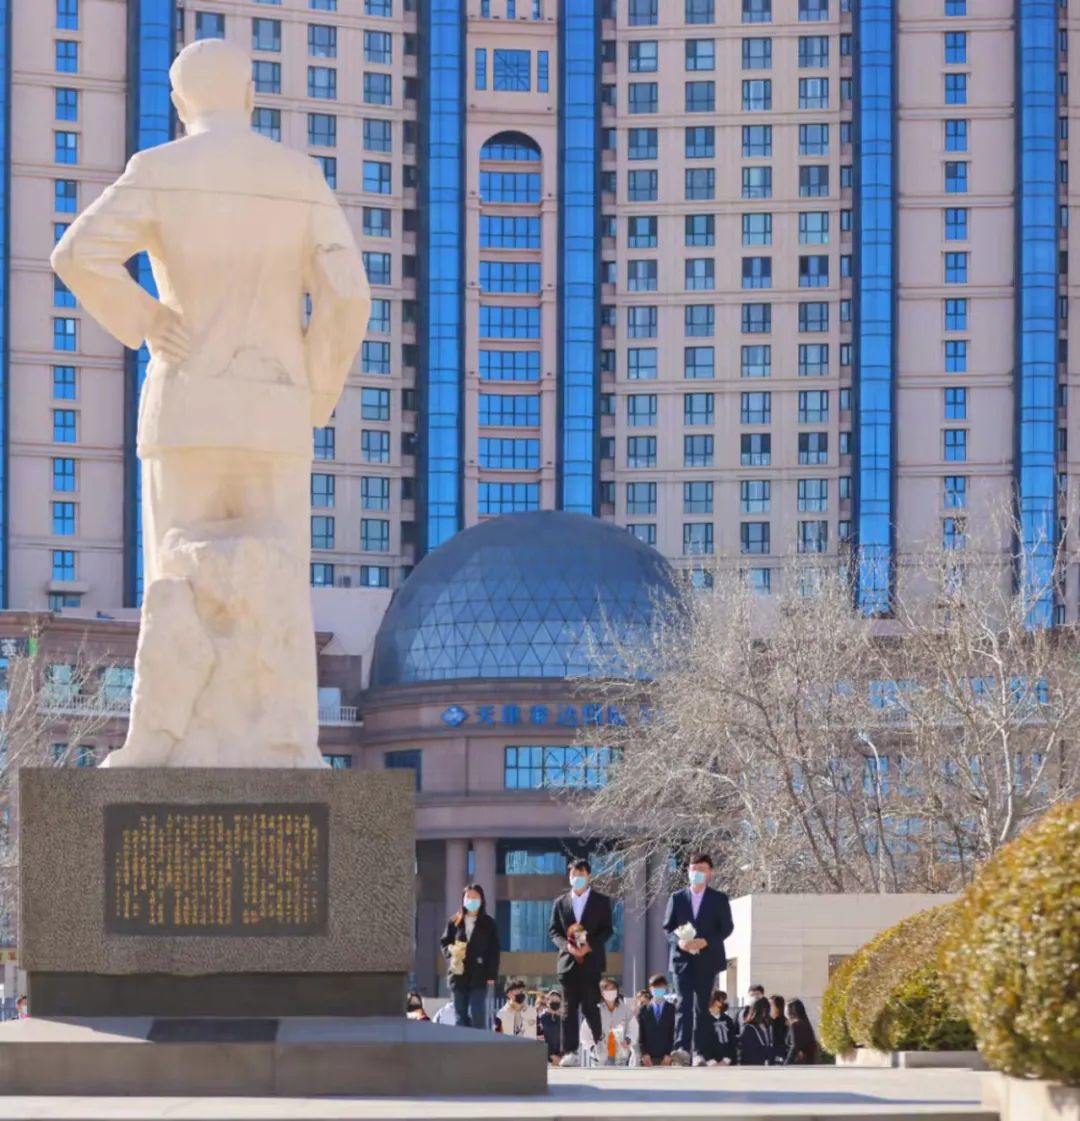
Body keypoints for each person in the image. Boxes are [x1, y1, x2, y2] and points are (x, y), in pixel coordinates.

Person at [51, 38, 370, 768]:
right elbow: (349, 295)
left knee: (176, 584)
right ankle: (288, 746)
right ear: (252, 94)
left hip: (185, 409)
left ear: (179, 102)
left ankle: (158, 743)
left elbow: (76, 254)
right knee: (278, 585)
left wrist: (145, 318)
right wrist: (314, 392)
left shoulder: (159, 169)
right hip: (275, 416)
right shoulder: (297, 177)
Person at [663, 852, 735, 1067]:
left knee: (702, 1007)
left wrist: (707, 941)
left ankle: (699, 1052)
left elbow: (726, 927)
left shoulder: (719, 899)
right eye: (694, 870)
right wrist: (678, 942)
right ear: (688, 872)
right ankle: (682, 1048)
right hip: (682, 960)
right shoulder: (677, 898)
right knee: (683, 1003)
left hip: (707, 960)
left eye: (702, 870)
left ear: (710, 873)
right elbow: (667, 928)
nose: (697, 874)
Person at [548, 859, 614, 1067]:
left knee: (589, 1005)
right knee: (568, 1008)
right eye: (573, 875)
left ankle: (598, 1040)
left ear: (588, 876)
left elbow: (607, 929)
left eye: (581, 874)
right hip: (568, 963)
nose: (576, 878)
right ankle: (570, 1051)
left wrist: (589, 945)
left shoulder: (601, 901)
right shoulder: (560, 903)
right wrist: (567, 946)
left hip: (591, 961)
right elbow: (554, 931)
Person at [439, 883, 500, 1030]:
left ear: (481, 900)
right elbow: (444, 943)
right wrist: (452, 951)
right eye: (468, 897)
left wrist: (491, 974)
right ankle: (461, 1042)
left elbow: (494, 950)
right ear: (463, 899)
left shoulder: (488, 923)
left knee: (476, 1012)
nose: (471, 900)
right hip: (458, 974)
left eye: (475, 897)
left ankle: (478, 1042)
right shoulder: (454, 921)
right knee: (460, 1014)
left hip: (479, 974)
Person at [582, 978, 639, 1066]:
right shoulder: (595, 1012)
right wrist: (593, 1048)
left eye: (612, 989)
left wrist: (628, 1040)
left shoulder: (626, 1010)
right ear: (601, 993)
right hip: (600, 1059)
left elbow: (633, 1029)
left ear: (617, 991)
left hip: (621, 1058)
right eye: (606, 990)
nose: (610, 992)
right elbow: (584, 1034)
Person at [637, 974, 676, 1067]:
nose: (658, 990)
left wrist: (670, 1054)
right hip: (648, 1059)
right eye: (655, 987)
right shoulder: (643, 1009)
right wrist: (644, 1053)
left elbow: (675, 1033)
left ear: (665, 988)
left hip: (667, 1058)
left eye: (661, 987)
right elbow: (640, 1034)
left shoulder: (672, 1009)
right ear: (650, 989)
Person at [703, 990, 737, 1066]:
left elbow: (732, 1041)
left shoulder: (727, 1020)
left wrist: (726, 1060)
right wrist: (710, 1061)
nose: (724, 1003)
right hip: (709, 1063)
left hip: (727, 1063)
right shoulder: (703, 1020)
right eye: (722, 1000)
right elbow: (702, 1042)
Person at [738, 998, 774, 1065]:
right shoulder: (748, 1028)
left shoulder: (767, 1026)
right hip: (752, 1064)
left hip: (765, 1064)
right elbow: (748, 1050)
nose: (765, 1013)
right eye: (763, 1010)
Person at [785, 999, 819, 1065]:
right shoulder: (806, 1024)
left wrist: (787, 1063)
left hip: (798, 1063)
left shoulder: (795, 1025)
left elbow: (794, 1046)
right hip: (809, 1061)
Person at [537, 989, 564, 1065]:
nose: (555, 1002)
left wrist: (562, 1057)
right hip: (545, 1060)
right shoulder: (540, 1018)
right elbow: (538, 1039)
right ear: (547, 1001)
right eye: (552, 1000)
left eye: (557, 1000)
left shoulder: (563, 1020)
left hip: (562, 1060)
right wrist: (551, 1056)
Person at [769, 995, 788, 1064]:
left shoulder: (783, 1022)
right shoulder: (769, 1021)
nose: (769, 1007)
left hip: (780, 1055)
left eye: (771, 1005)